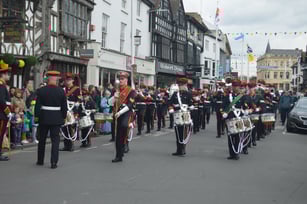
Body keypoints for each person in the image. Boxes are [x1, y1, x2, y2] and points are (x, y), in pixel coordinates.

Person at [35, 70, 68, 169]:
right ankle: (54, 162)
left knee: (42, 140)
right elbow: (64, 107)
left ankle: (40, 160)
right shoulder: (61, 91)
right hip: (56, 118)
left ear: (48, 78)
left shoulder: (41, 90)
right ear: (56, 79)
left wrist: (37, 117)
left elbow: (37, 106)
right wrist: (63, 117)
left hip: (44, 117)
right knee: (55, 141)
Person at [112, 71, 136, 163]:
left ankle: (122, 150)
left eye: (122, 79)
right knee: (117, 135)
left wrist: (120, 112)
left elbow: (130, 105)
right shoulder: (115, 90)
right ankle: (119, 154)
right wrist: (114, 97)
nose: (120, 80)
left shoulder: (131, 91)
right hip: (116, 113)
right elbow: (109, 103)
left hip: (125, 113)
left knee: (123, 129)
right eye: (119, 79)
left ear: (126, 80)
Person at [168, 78, 193, 157]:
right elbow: (169, 103)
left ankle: (183, 149)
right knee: (178, 132)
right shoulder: (175, 94)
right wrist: (171, 108)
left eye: (183, 84)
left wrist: (192, 106)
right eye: (180, 85)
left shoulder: (188, 94)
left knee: (185, 131)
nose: (182, 86)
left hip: (185, 114)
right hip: (177, 113)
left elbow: (191, 103)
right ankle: (178, 150)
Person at [61, 73, 80, 152]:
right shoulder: (63, 89)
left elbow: (79, 100)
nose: (67, 82)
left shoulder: (76, 89)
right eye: (66, 80)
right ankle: (66, 145)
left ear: (72, 80)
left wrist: (77, 104)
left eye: (69, 80)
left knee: (71, 127)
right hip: (65, 110)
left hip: (72, 111)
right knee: (65, 127)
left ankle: (71, 144)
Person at [0, 63, 11, 161]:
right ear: (3, 75)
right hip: (1, 115)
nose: (8, 76)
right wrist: (8, 112)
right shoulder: (1, 86)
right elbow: (2, 101)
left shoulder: (3, 85)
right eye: (7, 74)